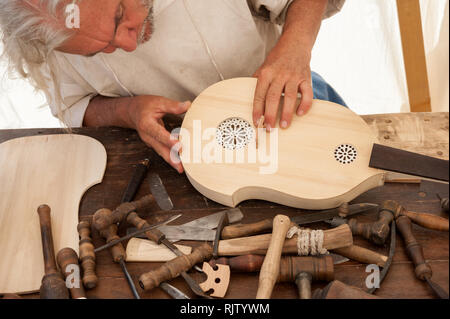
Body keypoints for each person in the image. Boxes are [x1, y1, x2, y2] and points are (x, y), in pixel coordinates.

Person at [0, 0, 346, 173]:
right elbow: (76, 106)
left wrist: (295, 47)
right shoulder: (42, 38)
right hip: (189, 159)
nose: (129, 44)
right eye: (101, 50)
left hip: (284, 108)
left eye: (121, 14)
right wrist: (128, 111)